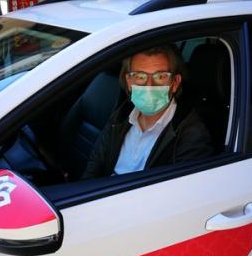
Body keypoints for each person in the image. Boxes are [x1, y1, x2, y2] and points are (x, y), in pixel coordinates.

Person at [82, 44, 214, 179]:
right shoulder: (122, 114)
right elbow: (95, 165)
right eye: (140, 77)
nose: (149, 86)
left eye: (160, 77)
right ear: (129, 82)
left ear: (175, 83)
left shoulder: (192, 135)